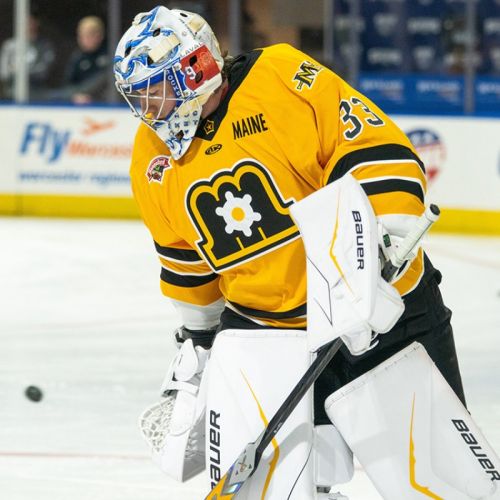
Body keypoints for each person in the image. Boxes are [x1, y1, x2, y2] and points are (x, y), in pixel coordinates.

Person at [114, 6, 500, 499]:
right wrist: (199, 336)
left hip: (380, 310)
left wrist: (387, 233)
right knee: (278, 489)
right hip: (267, 334)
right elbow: (183, 256)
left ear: (197, 68)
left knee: (442, 485)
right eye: (140, 96)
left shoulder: (279, 75)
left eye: (156, 90)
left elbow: (366, 142)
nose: (149, 108)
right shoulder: (151, 156)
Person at [0, 13, 55, 100]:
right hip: (11, 92)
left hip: (37, 91)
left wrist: (21, 72)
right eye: (24, 21)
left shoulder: (44, 46)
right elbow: (4, 72)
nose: (27, 25)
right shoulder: (9, 45)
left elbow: (43, 72)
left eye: (30, 22)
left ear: (37, 23)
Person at [60, 16, 108, 104]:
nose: (84, 40)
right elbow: (68, 84)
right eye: (81, 36)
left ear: (100, 36)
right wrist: (74, 95)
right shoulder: (77, 57)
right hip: (81, 102)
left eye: (89, 35)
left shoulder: (110, 54)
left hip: (107, 103)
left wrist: (91, 94)